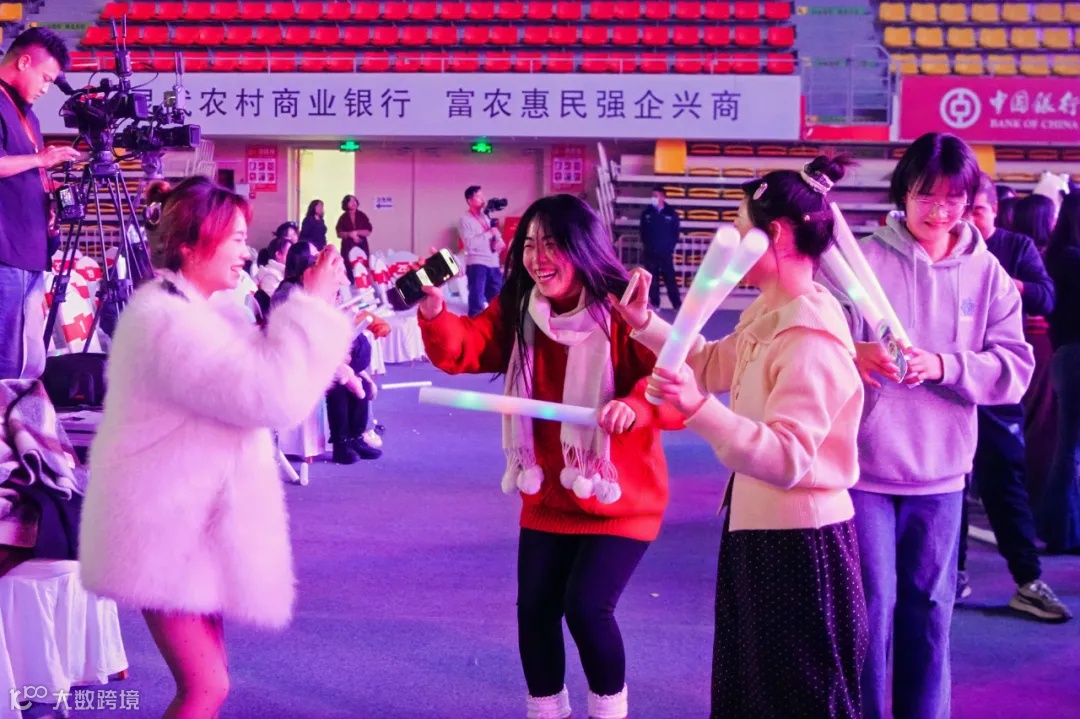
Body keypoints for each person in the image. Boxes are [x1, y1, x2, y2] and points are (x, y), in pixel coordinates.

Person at [78, 176, 353, 719]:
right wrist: (313, 305)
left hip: (190, 527)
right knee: (206, 687)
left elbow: (261, 379)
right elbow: (269, 394)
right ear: (190, 244)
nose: (245, 252)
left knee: (211, 683)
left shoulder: (197, 313)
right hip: (165, 533)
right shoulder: (167, 322)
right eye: (236, 239)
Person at [617, 156, 868, 717]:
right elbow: (709, 364)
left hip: (801, 542)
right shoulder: (771, 311)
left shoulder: (810, 335)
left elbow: (788, 457)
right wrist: (646, 324)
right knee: (753, 691)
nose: (728, 241)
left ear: (773, 235)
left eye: (737, 227)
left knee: (799, 699)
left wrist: (699, 408)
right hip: (762, 529)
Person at [419, 194, 682, 719]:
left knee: (586, 608)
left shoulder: (621, 308)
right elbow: (469, 346)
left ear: (583, 248)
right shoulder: (522, 303)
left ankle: (609, 713)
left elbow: (673, 389)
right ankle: (546, 712)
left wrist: (633, 407)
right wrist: (433, 311)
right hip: (548, 493)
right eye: (530, 245)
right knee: (535, 610)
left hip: (620, 493)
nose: (538, 258)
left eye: (553, 245)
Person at [835, 133, 1034, 719]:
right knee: (870, 609)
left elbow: (1015, 368)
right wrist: (856, 353)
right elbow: (815, 340)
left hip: (942, 473)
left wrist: (945, 366)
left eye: (952, 198)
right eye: (926, 195)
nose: (939, 210)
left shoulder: (988, 273)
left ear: (970, 200)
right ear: (904, 193)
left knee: (929, 611)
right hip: (864, 468)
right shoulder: (861, 261)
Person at [959, 174, 1070, 620]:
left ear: (994, 211)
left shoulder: (1013, 247)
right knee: (949, 486)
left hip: (996, 383)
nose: (968, 220)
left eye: (976, 212)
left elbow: (1046, 296)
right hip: (945, 383)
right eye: (962, 211)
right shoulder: (943, 250)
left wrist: (1007, 284)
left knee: (1004, 480)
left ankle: (1027, 579)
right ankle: (953, 573)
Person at [0, 28, 82, 380]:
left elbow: (23, 170)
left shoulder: (27, 115)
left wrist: (46, 190)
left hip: (29, 249)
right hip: (7, 251)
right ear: (23, 62)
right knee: (11, 360)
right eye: (45, 78)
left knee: (31, 360)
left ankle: (21, 414)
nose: (46, 88)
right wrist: (41, 161)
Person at [273, 241, 384, 464]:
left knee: (358, 373)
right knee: (338, 384)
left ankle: (356, 437)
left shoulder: (312, 287)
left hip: (323, 350)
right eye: (315, 258)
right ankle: (341, 443)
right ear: (302, 263)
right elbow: (301, 333)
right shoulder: (287, 291)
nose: (320, 261)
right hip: (302, 358)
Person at [1039, 192, 1080, 554]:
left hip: (1065, 355)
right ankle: (1062, 531)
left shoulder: (1058, 256)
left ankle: (1061, 530)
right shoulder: (1072, 260)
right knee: (1070, 448)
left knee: (1068, 447)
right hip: (1074, 355)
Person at [460, 184, 506, 317]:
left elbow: (494, 235)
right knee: (477, 301)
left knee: (497, 300)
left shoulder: (486, 217)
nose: (483, 199)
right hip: (477, 264)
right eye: (478, 196)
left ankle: (496, 325)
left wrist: (499, 242)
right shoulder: (465, 219)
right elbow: (469, 244)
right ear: (470, 201)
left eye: (482, 195)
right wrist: (488, 234)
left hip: (493, 263)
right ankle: (475, 326)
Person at [638, 186, 682, 311]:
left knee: (670, 279)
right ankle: (655, 304)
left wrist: (669, 247)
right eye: (653, 196)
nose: (654, 198)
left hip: (665, 253)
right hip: (650, 252)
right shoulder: (647, 213)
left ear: (663, 197)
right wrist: (647, 245)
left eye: (656, 196)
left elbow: (675, 232)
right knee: (652, 280)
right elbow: (642, 231)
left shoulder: (671, 213)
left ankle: (677, 304)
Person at [336, 194, 373, 281]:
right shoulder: (343, 217)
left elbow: (368, 230)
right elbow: (339, 233)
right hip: (347, 246)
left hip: (362, 244)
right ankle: (350, 283)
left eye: (354, 200)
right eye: (350, 201)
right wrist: (349, 234)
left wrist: (357, 233)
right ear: (346, 204)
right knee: (348, 266)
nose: (353, 203)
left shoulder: (362, 215)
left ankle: (364, 283)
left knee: (363, 265)